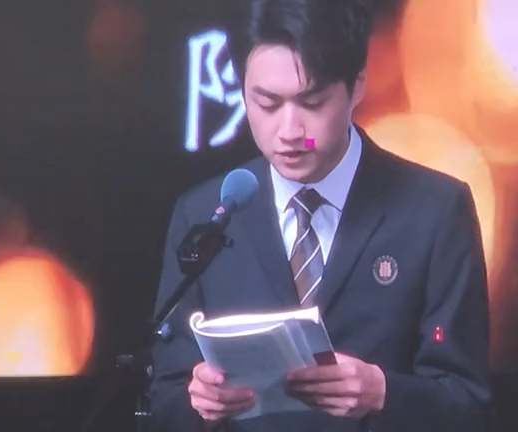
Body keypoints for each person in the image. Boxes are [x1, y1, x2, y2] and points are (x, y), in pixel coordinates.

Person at [149, 0, 491, 431]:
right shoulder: (204, 213)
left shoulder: (435, 210)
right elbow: (164, 398)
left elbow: (469, 404)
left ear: (357, 85)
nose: (290, 132)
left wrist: (383, 393)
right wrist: (199, 403)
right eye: (267, 104)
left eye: (312, 102)